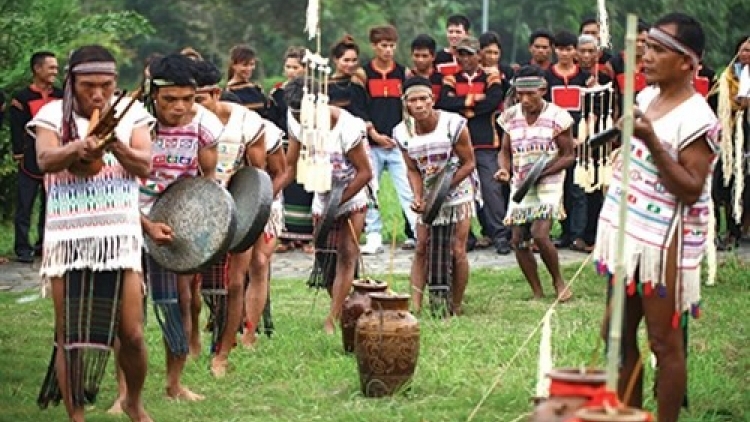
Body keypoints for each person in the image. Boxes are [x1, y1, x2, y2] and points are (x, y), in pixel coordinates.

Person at [593, 13, 719, 422]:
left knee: (664, 344)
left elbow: (691, 188)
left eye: (658, 50)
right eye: (645, 48)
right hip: (631, 233)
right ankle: (631, 415)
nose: (646, 57)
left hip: (664, 240)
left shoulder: (698, 117)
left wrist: (650, 140)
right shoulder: (647, 97)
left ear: (688, 62)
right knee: (616, 334)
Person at [30, 44, 153, 422]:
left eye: (106, 85)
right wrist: (80, 146)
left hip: (119, 236)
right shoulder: (53, 115)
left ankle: (133, 401)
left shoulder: (133, 116)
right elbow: (45, 159)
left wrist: (112, 138)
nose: (98, 94)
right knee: (71, 337)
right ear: (71, 82)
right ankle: (76, 417)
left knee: (131, 333)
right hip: (68, 238)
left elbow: (145, 164)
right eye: (88, 86)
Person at [139, 53, 222, 401]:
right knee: (129, 313)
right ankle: (127, 392)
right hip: (131, 219)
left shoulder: (204, 126)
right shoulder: (134, 125)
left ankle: (174, 385)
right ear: (153, 94)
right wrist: (144, 224)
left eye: (187, 99)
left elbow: (207, 182)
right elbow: (114, 183)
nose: (179, 107)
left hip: (174, 227)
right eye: (170, 99)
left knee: (176, 305)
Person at [190, 59, 267, 375]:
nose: (192, 107)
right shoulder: (182, 122)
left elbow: (256, 176)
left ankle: (222, 353)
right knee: (191, 283)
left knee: (235, 283)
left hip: (237, 209)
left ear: (215, 92)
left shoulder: (247, 122)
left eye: (199, 99)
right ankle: (193, 338)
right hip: (194, 207)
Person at [283, 76, 373, 334]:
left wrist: (338, 203)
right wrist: (271, 193)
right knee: (325, 257)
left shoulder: (347, 127)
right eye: (298, 116)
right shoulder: (295, 119)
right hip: (322, 193)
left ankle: (332, 318)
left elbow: (364, 172)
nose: (303, 122)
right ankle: (345, 303)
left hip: (352, 189)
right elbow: (290, 166)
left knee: (346, 252)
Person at [395, 76, 476, 315]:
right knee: (421, 247)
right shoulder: (401, 132)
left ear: (432, 100)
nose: (419, 105)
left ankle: (456, 304)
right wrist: (419, 197)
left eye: (423, 99)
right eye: (413, 100)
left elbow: (468, 163)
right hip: (428, 194)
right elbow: (412, 169)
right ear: (406, 103)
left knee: (457, 249)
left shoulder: (453, 124)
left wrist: (444, 189)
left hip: (457, 192)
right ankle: (416, 306)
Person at [495, 65, 575, 301]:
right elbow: (504, 151)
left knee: (540, 234)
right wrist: (503, 169)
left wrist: (543, 172)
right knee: (518, 239)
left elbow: (568, 155)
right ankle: (537, 291)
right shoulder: (510, 116)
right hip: (521, 181)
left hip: (549, 178)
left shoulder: (558, 117)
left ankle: (559, 282)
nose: (525, 99)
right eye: (520, 94)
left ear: (542, 90)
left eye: (531, 94)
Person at [437, 36, 510, 255]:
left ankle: (500, 235)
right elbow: (444, 103)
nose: (465, 58)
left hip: (486, 141)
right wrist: (473, 101)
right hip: (458, 144)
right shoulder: (450, 78)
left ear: (479, 55)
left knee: (491, 190)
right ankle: (465, 237)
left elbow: (493, 101)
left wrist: (465, 106)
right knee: (459, 191)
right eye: (461, 54)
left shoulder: (491, 76)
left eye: (469, 54)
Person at [361, 25, 418, 254]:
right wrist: (373, 133)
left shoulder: (403, 74)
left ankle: (417, 231)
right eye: (383, 46)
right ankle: (373, 235)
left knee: (408, 189)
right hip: (371, 142)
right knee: (371, 190)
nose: (388, 50)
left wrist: (403, 134)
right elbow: (360, 108)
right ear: (374, 46)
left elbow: (409, 107)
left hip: (397, 144)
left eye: (392, 46)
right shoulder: (363, 75)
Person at [9, 51, 63, 263]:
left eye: (56, 68)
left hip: (54, 156)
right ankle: (22, 248)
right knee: (25, 204)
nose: (54, 72)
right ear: (37, 69)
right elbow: (16, 128)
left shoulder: (60, 96)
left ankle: (45, 244)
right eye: (51, 67)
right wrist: (18, 153)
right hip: (29, 158)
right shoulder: (22, 98)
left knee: (50, 203)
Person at [225, 45, 268, 118]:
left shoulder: (257, 89)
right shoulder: (228, 93)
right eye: (245, 65)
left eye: (252, 64)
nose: (249, 68)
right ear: (233, 65)